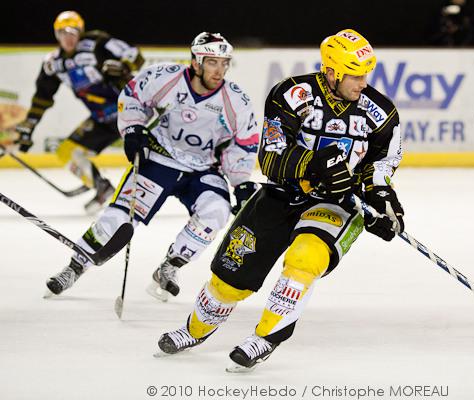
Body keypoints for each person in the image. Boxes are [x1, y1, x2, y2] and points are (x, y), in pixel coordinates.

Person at [156, 29, 405, 372]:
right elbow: (271, 158)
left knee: (306, 256)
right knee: (230, 278)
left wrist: (380, 197)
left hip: (335, 204)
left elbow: (380, 165)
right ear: (332, 71)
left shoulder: (381, 112)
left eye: (365, 75)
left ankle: (267, 337)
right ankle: (195, 330)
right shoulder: (291, 94)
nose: (362, 83)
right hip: (283, 193)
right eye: (355, 75)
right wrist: (315, 166)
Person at [44, 32, 259, 300]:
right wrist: (134, 129)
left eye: (224, 63)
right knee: (119, 218)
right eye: (213, 62)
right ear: (196, 62)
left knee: (217, 210)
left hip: (203, 169)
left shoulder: (236, 100)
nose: (220, 70)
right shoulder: (165, 77)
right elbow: (132, 97)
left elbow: (245, 142)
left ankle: (171, 265)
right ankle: (75, 266)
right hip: (158, 158)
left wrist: (241, 182)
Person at [13, 11, 145, 213]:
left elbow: (135, 56)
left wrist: (124, 66)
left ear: (81, 32)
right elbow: (43, 96)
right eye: (62, 32)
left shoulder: (97, 43)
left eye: (73, 32)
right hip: (102, 119)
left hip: (131, 111)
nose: (68, 37)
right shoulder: (53, 63)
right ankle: (101, 187)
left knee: (152, 155)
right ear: (56, 35)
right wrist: (29, 124)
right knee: (67, 152)